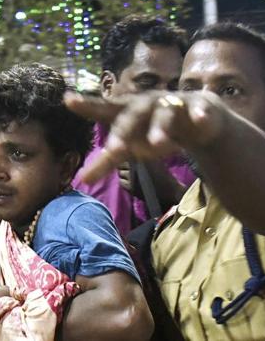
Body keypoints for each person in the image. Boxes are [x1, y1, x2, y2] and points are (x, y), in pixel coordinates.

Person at [65, 22, 265, 340]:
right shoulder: (170, 231)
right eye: (188, 91)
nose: (196, 107)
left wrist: (219, 127)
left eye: (229, 90)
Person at [0, 63, 153, 341]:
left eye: (17, 153)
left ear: (65, 167)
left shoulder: (70, 213)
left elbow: (126, 315)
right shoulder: (19, 221)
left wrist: (5, 314)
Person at [72, 15, 195, 235]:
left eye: (173, 86)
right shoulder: (72, 160)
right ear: (108, 86)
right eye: (147, 83)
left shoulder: (201, 159)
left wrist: (173, 193)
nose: (163, 98)